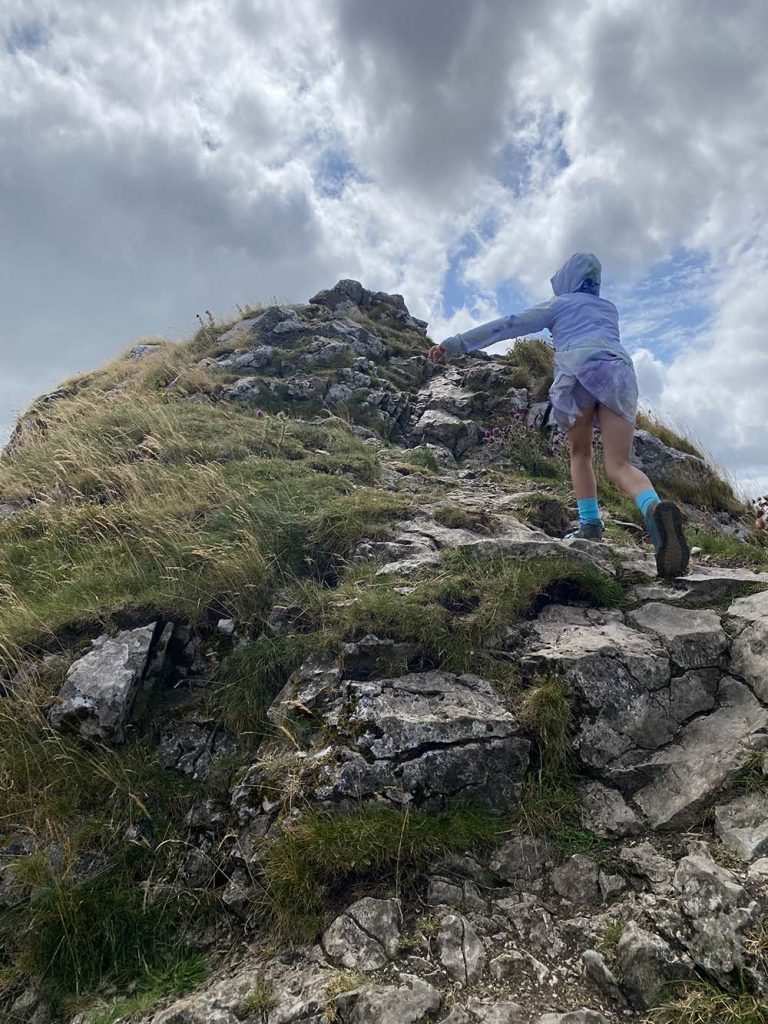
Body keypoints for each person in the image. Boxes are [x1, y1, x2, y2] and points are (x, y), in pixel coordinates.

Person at [428, 252, 689, 578]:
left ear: (566, 280)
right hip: (619, 372)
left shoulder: (559, 305)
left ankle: (590, 523)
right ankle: (653, 509)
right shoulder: (609, 308)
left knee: (579, 453)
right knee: (618, 464)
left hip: (579, 371)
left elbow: (509, 324)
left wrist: (454, 345)